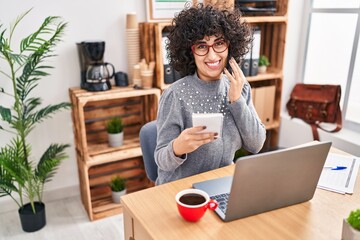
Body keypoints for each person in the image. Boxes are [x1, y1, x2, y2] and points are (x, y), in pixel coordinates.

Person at [154, 4, 266, 185]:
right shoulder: (175, 95)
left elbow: (256, 144)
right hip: (180, 189)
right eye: (202, 46)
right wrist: (177, 148)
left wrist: (237, 100)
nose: (212, 56)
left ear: (230, 46)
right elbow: (161, 160)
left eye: (219, 43)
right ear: (190, 51)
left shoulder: (239, 87)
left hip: (220, 183)